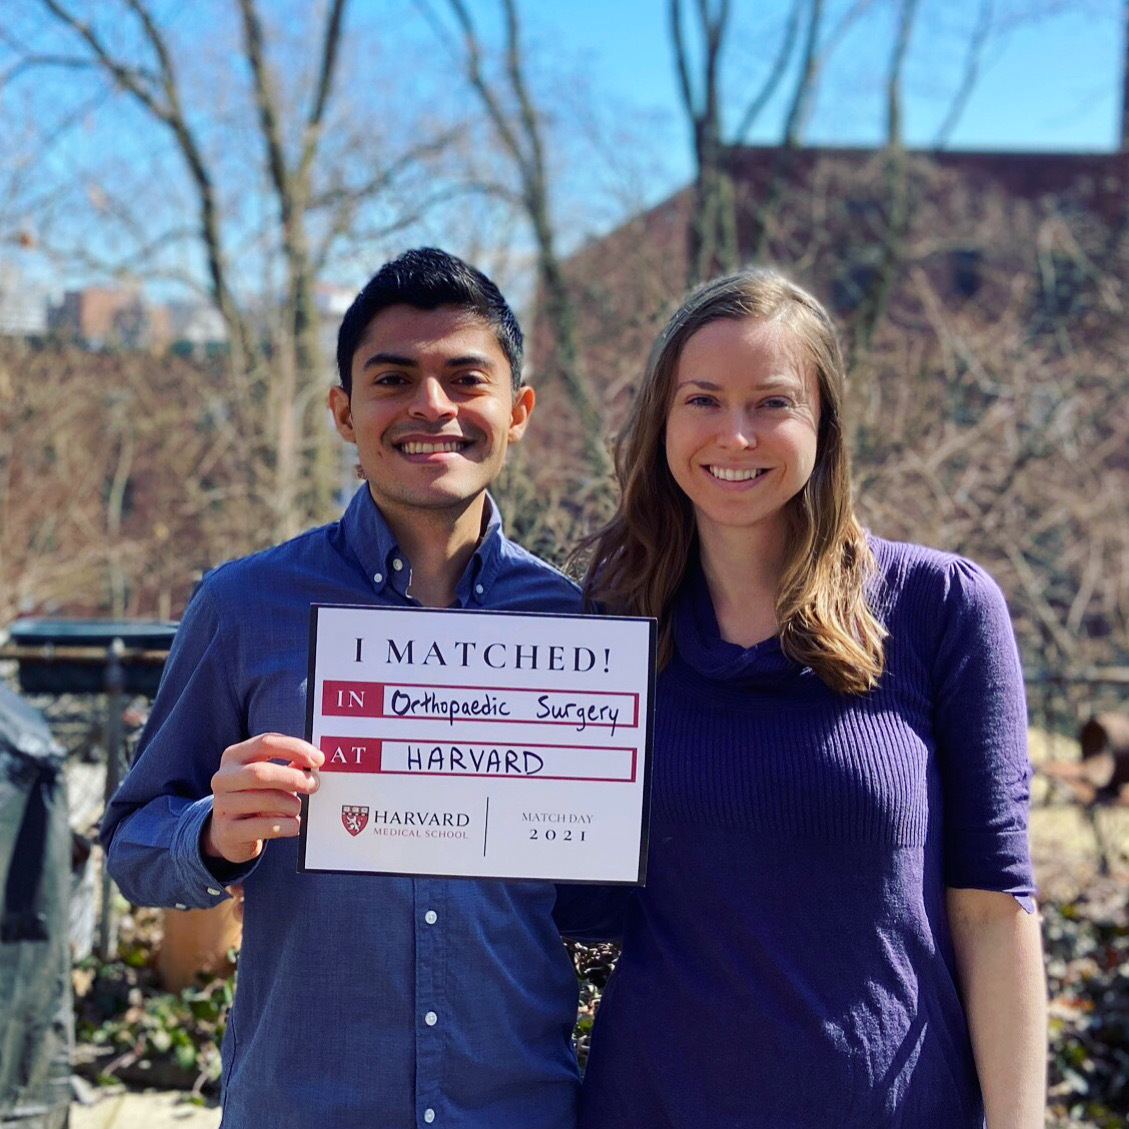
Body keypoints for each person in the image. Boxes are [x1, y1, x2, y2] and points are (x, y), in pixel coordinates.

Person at [102, 248, 586, 1129]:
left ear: (516, 413)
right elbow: (133, 843)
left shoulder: (578, 626)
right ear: (343, 411)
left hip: (519, 1106)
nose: (430, 406)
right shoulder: (243, 605)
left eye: (464, 378)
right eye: (393, 378)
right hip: (306, 1104)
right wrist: (210, 836)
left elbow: (608, 885)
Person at [574, 268, 1046, 1128]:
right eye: (703, 399)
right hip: (652, 1105)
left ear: (823, 422)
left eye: (774, 402)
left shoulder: (941, 607)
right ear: (661, 421)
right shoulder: (610, 624)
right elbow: (582, 904)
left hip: (894, 1107)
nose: (736, 433)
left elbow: (992, 906)